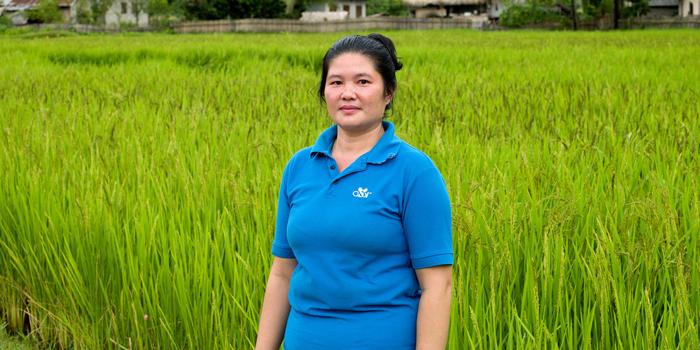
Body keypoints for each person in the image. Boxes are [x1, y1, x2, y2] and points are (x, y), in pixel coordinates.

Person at [255, 33, 454, 350]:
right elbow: (282, 273)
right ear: (324, 92)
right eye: (335, 83)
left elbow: (438, 285)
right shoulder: (299, 168)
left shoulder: (414, 172)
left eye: (363, 82)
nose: (347, 93)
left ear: (388, 92)